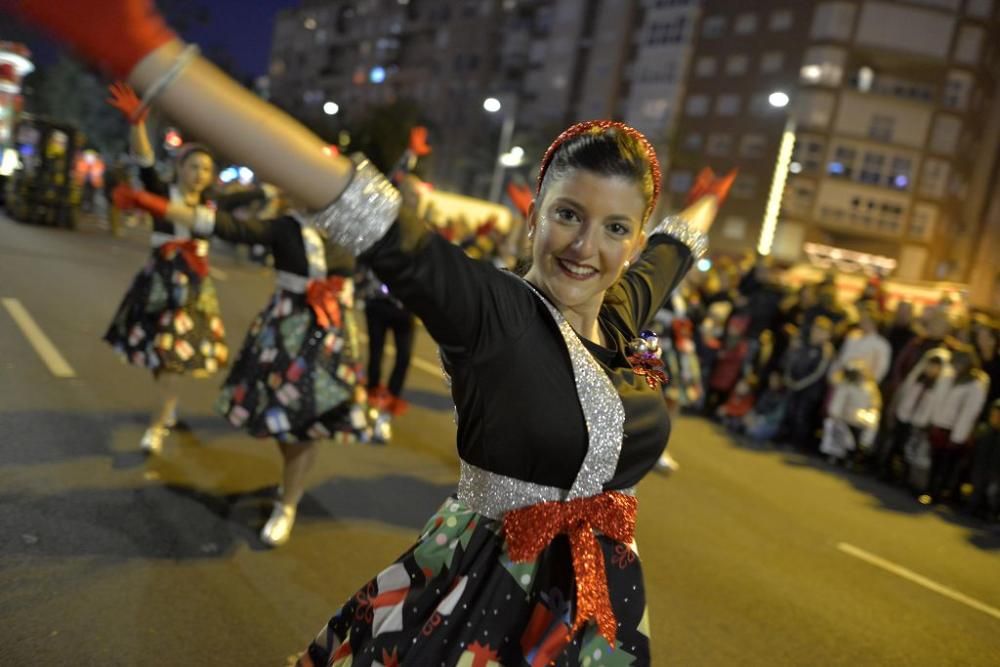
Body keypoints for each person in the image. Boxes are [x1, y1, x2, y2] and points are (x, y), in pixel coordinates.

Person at [20, 6, 719, 662]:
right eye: (568, 214)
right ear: (533, 217)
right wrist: (153, 57)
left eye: (616, 227)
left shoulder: (623, 308)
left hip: (593, 609)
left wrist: (712, 199)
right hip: (483, 600)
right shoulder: (494, 313)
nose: (585, 246)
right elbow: (349, 199)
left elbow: (679, 245)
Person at [117, 181, 372, 545]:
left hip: (330, 340)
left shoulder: (350, 226)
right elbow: (224, 226)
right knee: (285, 426)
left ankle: (288, 503)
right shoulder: (286, 227)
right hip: (287, 336)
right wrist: (152, 201)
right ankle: (291, 481)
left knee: (306, 428)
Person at [102, 81, 228, 454]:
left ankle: (158, 424)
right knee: (162, 356)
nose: (200, 174)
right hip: (159, 282)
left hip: (193, 290)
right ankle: (167, 407)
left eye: (206, 168)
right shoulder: (163, 192)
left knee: (172, 359)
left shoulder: (211, 206)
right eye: (193, 166)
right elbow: (143, 162)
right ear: (180, 168)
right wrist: (137, 123)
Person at [921, 345, 990, 503]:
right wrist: (931, 420)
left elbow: (969, 412)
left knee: (947, 466)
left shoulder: (975, 384)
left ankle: (938, 492)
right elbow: (937, 400)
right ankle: (929, 489)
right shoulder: (948, 377)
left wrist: (958, 436)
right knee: (935, 460)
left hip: (954, 431)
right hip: (940, 424)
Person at [779, 316, 835, 450]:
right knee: (790, 411)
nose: (817, 333)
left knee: (802, 415)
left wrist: (800, 384)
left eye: (821, 331)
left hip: (810, 389)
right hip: (794, 384)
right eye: (816, 330)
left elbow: (818, 372)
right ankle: (786, 437)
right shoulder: (803, 343)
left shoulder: (825, 350)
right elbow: (790, 361)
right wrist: (789, 378)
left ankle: (797, 443)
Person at [819, 360, 881, 465]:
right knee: (834, 427)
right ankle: (835, 454)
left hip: (860, 418)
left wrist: (871, 415)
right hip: (844, 417)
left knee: (871, 428)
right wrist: (835, 414)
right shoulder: (845, 386)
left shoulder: (870, 388)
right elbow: (837, 402)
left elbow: (875, 405)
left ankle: (861, 450)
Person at [829, 304, 892, 385]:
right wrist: (833, 373)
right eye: (861, 319)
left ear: (873, 322)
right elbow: (842, 357)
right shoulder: (852, 336)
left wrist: (868, 384)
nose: (861, 322)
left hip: (861, 384)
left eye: (865, 320)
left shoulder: (881, 344)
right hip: (841, 381)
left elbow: (880, 369)